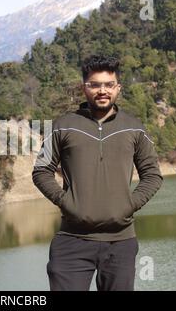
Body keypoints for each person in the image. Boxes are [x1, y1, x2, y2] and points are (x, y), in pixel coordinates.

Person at [32, 55, 163, 291]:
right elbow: (41, 170)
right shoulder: (63, 125)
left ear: (118, 88)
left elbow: (152, 175)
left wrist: (129, 204)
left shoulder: (134, 127)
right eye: (95, 84)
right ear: (84, 88)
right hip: (71, 241)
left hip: (120, 242)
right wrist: (66, 201)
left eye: (109, 84)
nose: (102, 90)